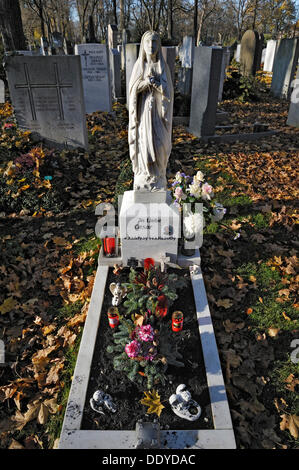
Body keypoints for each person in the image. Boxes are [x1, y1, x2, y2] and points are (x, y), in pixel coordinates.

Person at [128, 31, 174, 191]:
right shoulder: (139, 66)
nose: (151, 45)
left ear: (158, 45)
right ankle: (146, 175)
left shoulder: (163, 66)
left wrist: (158, 85)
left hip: (158, 115)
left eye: (154, 42)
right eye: (148, 42)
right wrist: (144, 83)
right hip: (143, 114)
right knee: (145, 146)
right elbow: (132, 90)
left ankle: (158, 175)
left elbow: (169, 93)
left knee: (160, 144)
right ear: (143, 45)